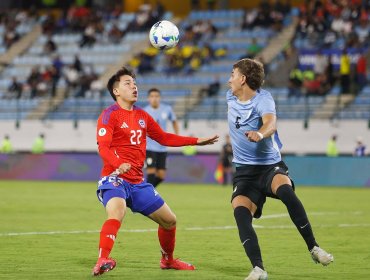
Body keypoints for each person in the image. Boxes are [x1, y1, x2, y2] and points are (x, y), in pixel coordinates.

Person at [92, 67, 219, 276]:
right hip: (114, 178)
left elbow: (164, 137)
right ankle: (102, 259)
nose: (134, 87)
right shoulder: (109, 115)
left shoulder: (142, 115)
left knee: (170, 221)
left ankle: (167, 261)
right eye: (128, 84)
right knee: (117, 211)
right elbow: (103, 147)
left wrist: (196, 141)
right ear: (116, 91)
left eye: (135, 84)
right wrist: (117, 163)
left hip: (137, 182)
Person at [226, 58, 333, 280]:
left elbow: (271, 124)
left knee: (286, 191)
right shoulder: (231, 97)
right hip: (244, 172)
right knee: (240, 214)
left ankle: (314, 248)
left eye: (233, 74)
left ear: (243, 79)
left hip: (269, 166)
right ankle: (258, 269)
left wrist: (260, 133)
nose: (229, 79)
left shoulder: (264, 99)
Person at [143, 88, 179, 188]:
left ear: (160, 98)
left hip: (162, 147)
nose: (154, 98)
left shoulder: (167, 109)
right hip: (149, 147)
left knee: (161, 175)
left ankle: (146, 191)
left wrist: (177, 134)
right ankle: (148, 196)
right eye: (152, 96)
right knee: (151, 171)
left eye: (156, 96)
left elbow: (174, 121)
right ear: (148, 98)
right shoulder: (145, 111)